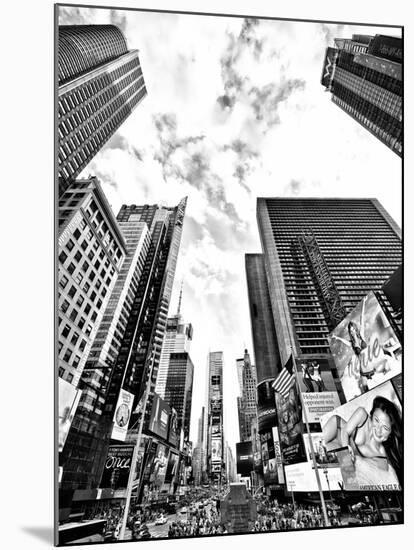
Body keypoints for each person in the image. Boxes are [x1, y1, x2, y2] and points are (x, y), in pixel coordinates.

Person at [323, 395, 402, 486]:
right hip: (336, 427)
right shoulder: (362, 414)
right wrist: (347, 451)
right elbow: (345, 431)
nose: (378, 429)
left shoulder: (382, 455)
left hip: (336, 446)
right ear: (371, 416)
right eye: (376, 420)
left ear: (391, 433)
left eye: (385, 427)